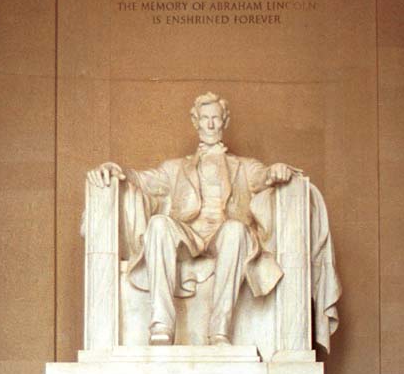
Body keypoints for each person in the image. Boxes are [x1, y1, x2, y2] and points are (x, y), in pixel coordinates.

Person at [88, 92, 299, 346]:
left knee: (235, 230)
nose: (210, 124)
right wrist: (114, 170)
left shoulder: (244, 166)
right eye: (205, 118)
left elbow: (263, 177)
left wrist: (275, 171)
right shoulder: (175, 168)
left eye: (216, 119)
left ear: (225, 122)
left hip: (224, 235)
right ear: (195, 121)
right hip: (188, 235)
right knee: (158, 224)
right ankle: (161, 326)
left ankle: (219, 331)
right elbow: (142, 180)